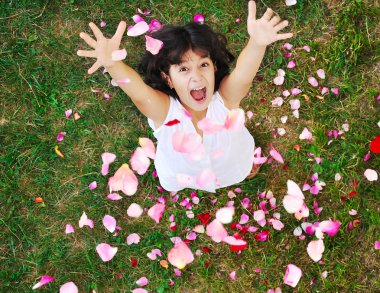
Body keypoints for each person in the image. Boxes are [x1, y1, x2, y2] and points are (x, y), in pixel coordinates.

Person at [77, 1, 292, 192]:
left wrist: (257, 44)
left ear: (214, 68)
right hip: (181, 174)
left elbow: (243, 77)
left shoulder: (224, 100)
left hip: (232, 162)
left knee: (240, 168)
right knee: (180, 181)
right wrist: (113, 64)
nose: (197, 76)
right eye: (183, 70)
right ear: (167, 78)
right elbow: (141, 96)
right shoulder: (165, 111)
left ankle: (245, 170)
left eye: (203, 65)